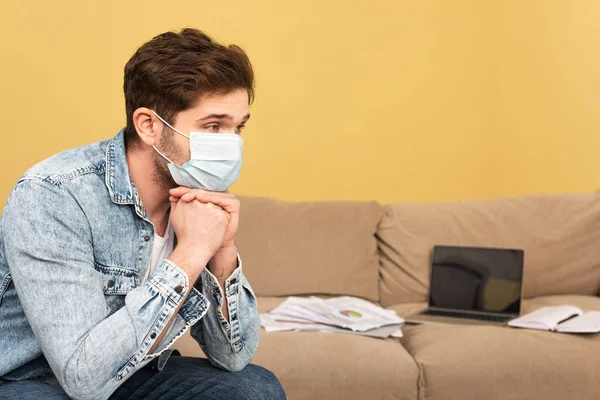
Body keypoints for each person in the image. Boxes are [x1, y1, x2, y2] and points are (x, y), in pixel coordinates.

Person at [0, 28, 286, 400]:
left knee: (254, 388)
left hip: (130, 372)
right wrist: (189, 254)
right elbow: (82, 378)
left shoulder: (196, 198)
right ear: (149, 126)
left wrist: (222, 251)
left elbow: (232, 357)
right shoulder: (54, 195)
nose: (231, 144)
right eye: (213, 126)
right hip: (28, 380)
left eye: (238, 127)